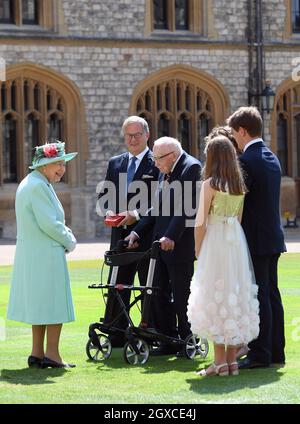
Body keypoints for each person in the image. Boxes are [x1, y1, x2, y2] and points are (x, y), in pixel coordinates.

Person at [187, 135, 260, 376]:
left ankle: (219, 362)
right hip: (235, 242)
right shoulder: (238, 185)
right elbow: (238, 218)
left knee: (215, 294)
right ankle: (231, 362)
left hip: (216, 240)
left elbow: (200, 221)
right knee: (233, 293)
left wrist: (198, 249)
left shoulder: (209, 184)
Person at [126, 137, 202, 355]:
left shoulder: (191, 167)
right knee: (157, 292)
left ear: (171, 156)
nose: (155, 163)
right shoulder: (164, 169)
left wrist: (171, 236)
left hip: (179, 244)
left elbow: (186, 209)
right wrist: (136, 231)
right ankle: (168, 339)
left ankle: (189, 341)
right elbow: (156, 208)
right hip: (158, 245)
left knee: (182, 296)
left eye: (157, 159)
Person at [7, 141, 78, 369]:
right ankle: (53, 355)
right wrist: (70, 241)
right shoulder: (37, 186)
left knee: (40, 305)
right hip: (46, 255)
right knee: (54, 304)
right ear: (44, 165)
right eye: (57, 164)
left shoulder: (33, 182)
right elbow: (50, 224)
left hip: (35, 255)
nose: (62, 169)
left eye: (63, 164)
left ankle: (37, 353)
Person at [227, 106, 286, 369]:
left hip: (255, 238)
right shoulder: (271, 156)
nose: (234, 140)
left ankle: (260, 352)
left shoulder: (246, 161)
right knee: (271, 293)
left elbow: (237, 201)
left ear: (242, 131)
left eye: (234, 134)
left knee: (259, 295)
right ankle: (276, 351)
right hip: (272, 236)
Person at [97, 116, 159, 347]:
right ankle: (116, 334)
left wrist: (136, 214)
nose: (132, 140)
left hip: (146, 234)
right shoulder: (116, 162)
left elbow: (158, 200)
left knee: (147, 285)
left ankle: (149, 334)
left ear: (147, 135)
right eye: (128, 135)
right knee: (117, 284)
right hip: (119, 235)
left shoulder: (157, 162)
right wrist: (109, 210)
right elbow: (105, 194)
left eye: (137, 135)